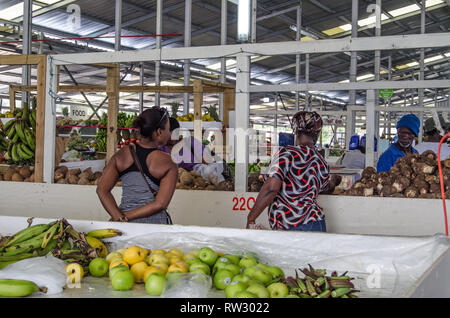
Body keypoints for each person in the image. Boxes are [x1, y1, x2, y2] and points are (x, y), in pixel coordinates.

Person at [246, 111, 341, 232]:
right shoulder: (320, 161)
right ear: (317, 133)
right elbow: (325, 189)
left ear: (295, 130)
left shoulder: (286, 154)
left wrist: (251, 218)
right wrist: (334, 181)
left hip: (293, 225)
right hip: (317, 222)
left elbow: (271, 187)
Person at [96, 106, 178, 224]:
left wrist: (119, 217)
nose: (169, 133)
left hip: (125, 225)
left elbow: (102, 190)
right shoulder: (169, 162)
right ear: (159, 132)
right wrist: (125, 217)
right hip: (156, 225)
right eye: (168, 129)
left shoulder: (121, 154)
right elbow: (160, 204)